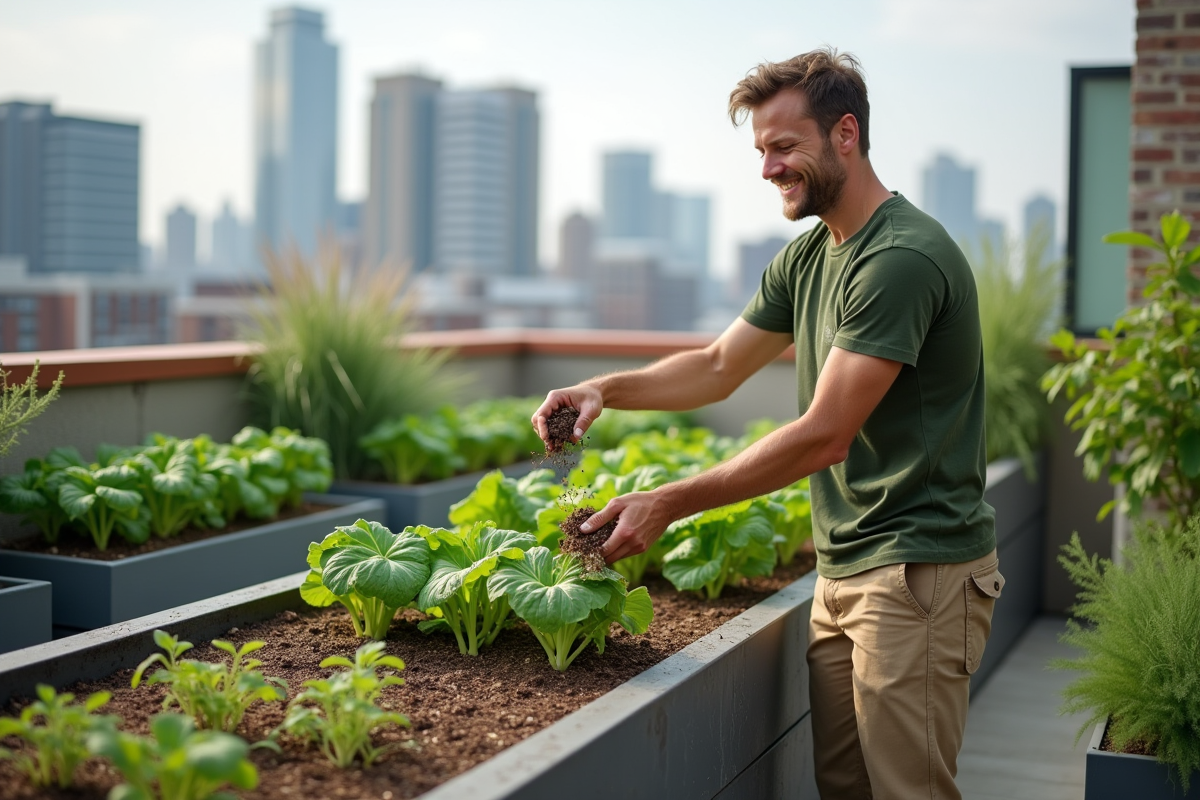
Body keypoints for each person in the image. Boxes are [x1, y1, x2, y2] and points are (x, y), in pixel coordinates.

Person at [532, 48, 1002, 800]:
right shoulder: (812, 256)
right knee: (844, 788)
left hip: (917, 572)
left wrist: (668, 502)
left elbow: (826, 434)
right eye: (760, 151)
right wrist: (601, 389)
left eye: (783, 147)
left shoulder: (902, 259)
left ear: (845, 134)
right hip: (844, 568)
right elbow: (719, 365)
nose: (768, 169)